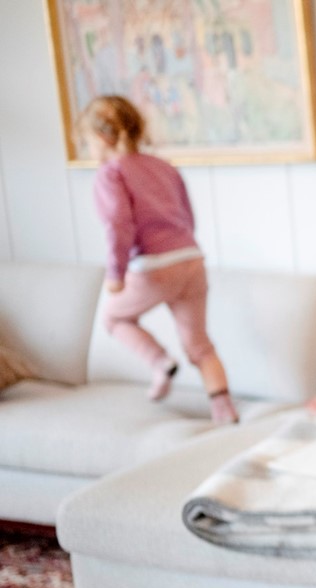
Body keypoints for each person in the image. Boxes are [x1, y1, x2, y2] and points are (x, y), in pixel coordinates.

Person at [79, 95, 238, 424]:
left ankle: (160, 362)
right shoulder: (164, 167)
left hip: (154, 266)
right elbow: (187, 215)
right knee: (200, 345)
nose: (87, 149)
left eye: (86, 141)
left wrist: (116, 274)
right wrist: (183, 248)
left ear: (102, 138)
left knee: (114, 319)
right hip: (192, 259)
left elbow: (118, 225)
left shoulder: (111, 174)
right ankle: (224, 411)